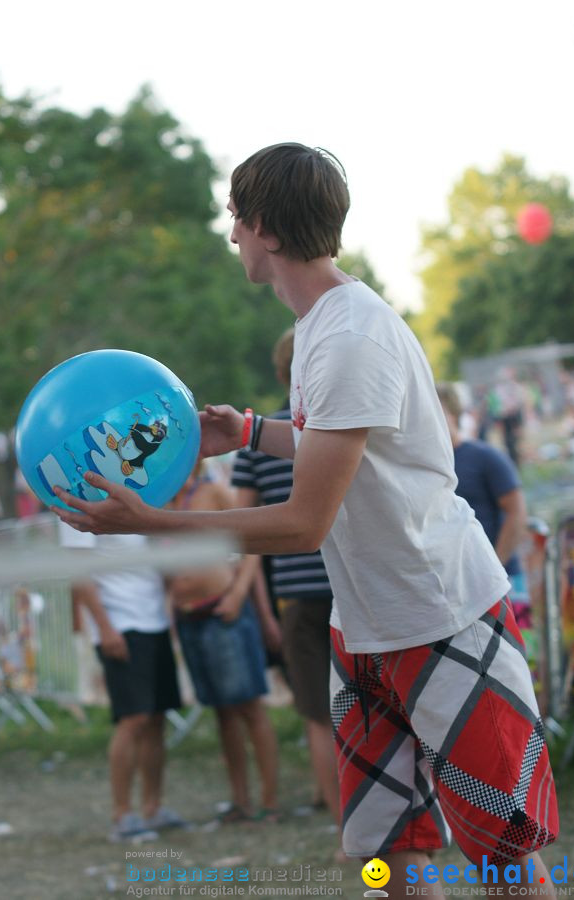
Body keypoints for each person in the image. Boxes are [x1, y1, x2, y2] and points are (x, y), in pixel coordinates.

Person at [53, 143, 558, 896]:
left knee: (502, 853)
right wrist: (251, 430)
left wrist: (149, 523)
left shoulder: (351, 336)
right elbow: (346, 443)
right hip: (365, 627)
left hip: (440, 617)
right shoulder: (325, 323)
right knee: (384, 853)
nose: (230, 236)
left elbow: (304, 523)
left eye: (236, 219)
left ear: (269, 230)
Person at [231, 326, 340, 826]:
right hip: (350, 587)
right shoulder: (339, 428)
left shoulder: (256, 442)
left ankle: (346, 831)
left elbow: (241, 535)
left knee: (318, 715)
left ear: (281, 375)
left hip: (297, 596)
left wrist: (260, 607)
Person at [167, 459, 281, 823]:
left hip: (224, 611)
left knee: (250, 708)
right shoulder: (163, 502)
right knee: (222, 712)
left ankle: (270, 801)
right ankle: (240, 800)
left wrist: (238, 593)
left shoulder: (212, 491)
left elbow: (252, 541)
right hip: (190, 617)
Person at [59, 525, 184, 842]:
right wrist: (105, 627)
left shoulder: (135, 488)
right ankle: (122, 814)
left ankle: (153, 808)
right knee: (133, 719)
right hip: (120, 625)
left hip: (154, 619)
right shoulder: (78, 500)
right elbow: (78, 572)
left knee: (156, 718)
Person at [435, 383, 537, 670]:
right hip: (453, 590)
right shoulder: (425, 466)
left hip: (504, 580)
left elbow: (517, 513)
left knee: (521, 664)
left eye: (436, 410)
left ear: (454, 414)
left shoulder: (484, 457)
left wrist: (494, 565)